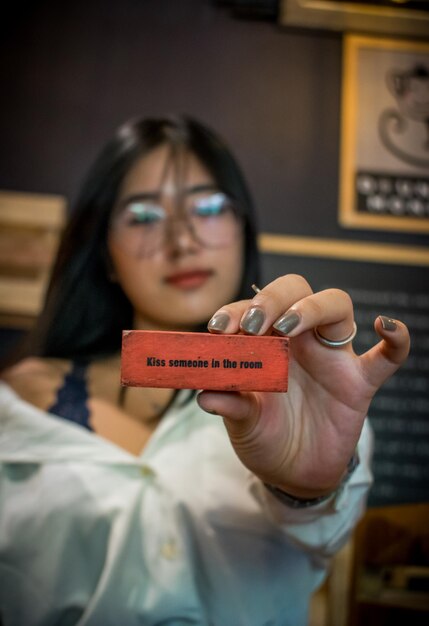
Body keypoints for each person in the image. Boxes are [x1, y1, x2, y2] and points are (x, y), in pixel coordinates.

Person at [0, 115, 410, 626]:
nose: (182, 240)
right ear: (104, 252)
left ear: (243, 227)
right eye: (144, 215)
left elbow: (326, 531)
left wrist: (309, 491)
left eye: (210, 207)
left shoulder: (316, 390)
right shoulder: (16, 404)